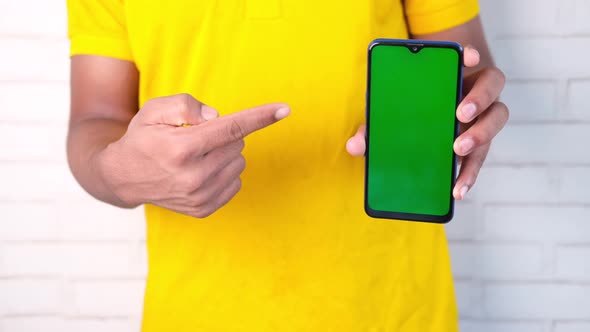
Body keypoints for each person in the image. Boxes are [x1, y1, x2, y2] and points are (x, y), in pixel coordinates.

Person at [66, 0, 508, 331]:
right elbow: (96, 119)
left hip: (390, 308)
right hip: (199, 310)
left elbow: (461, 69)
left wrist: (457, 115)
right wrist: (120, 173)